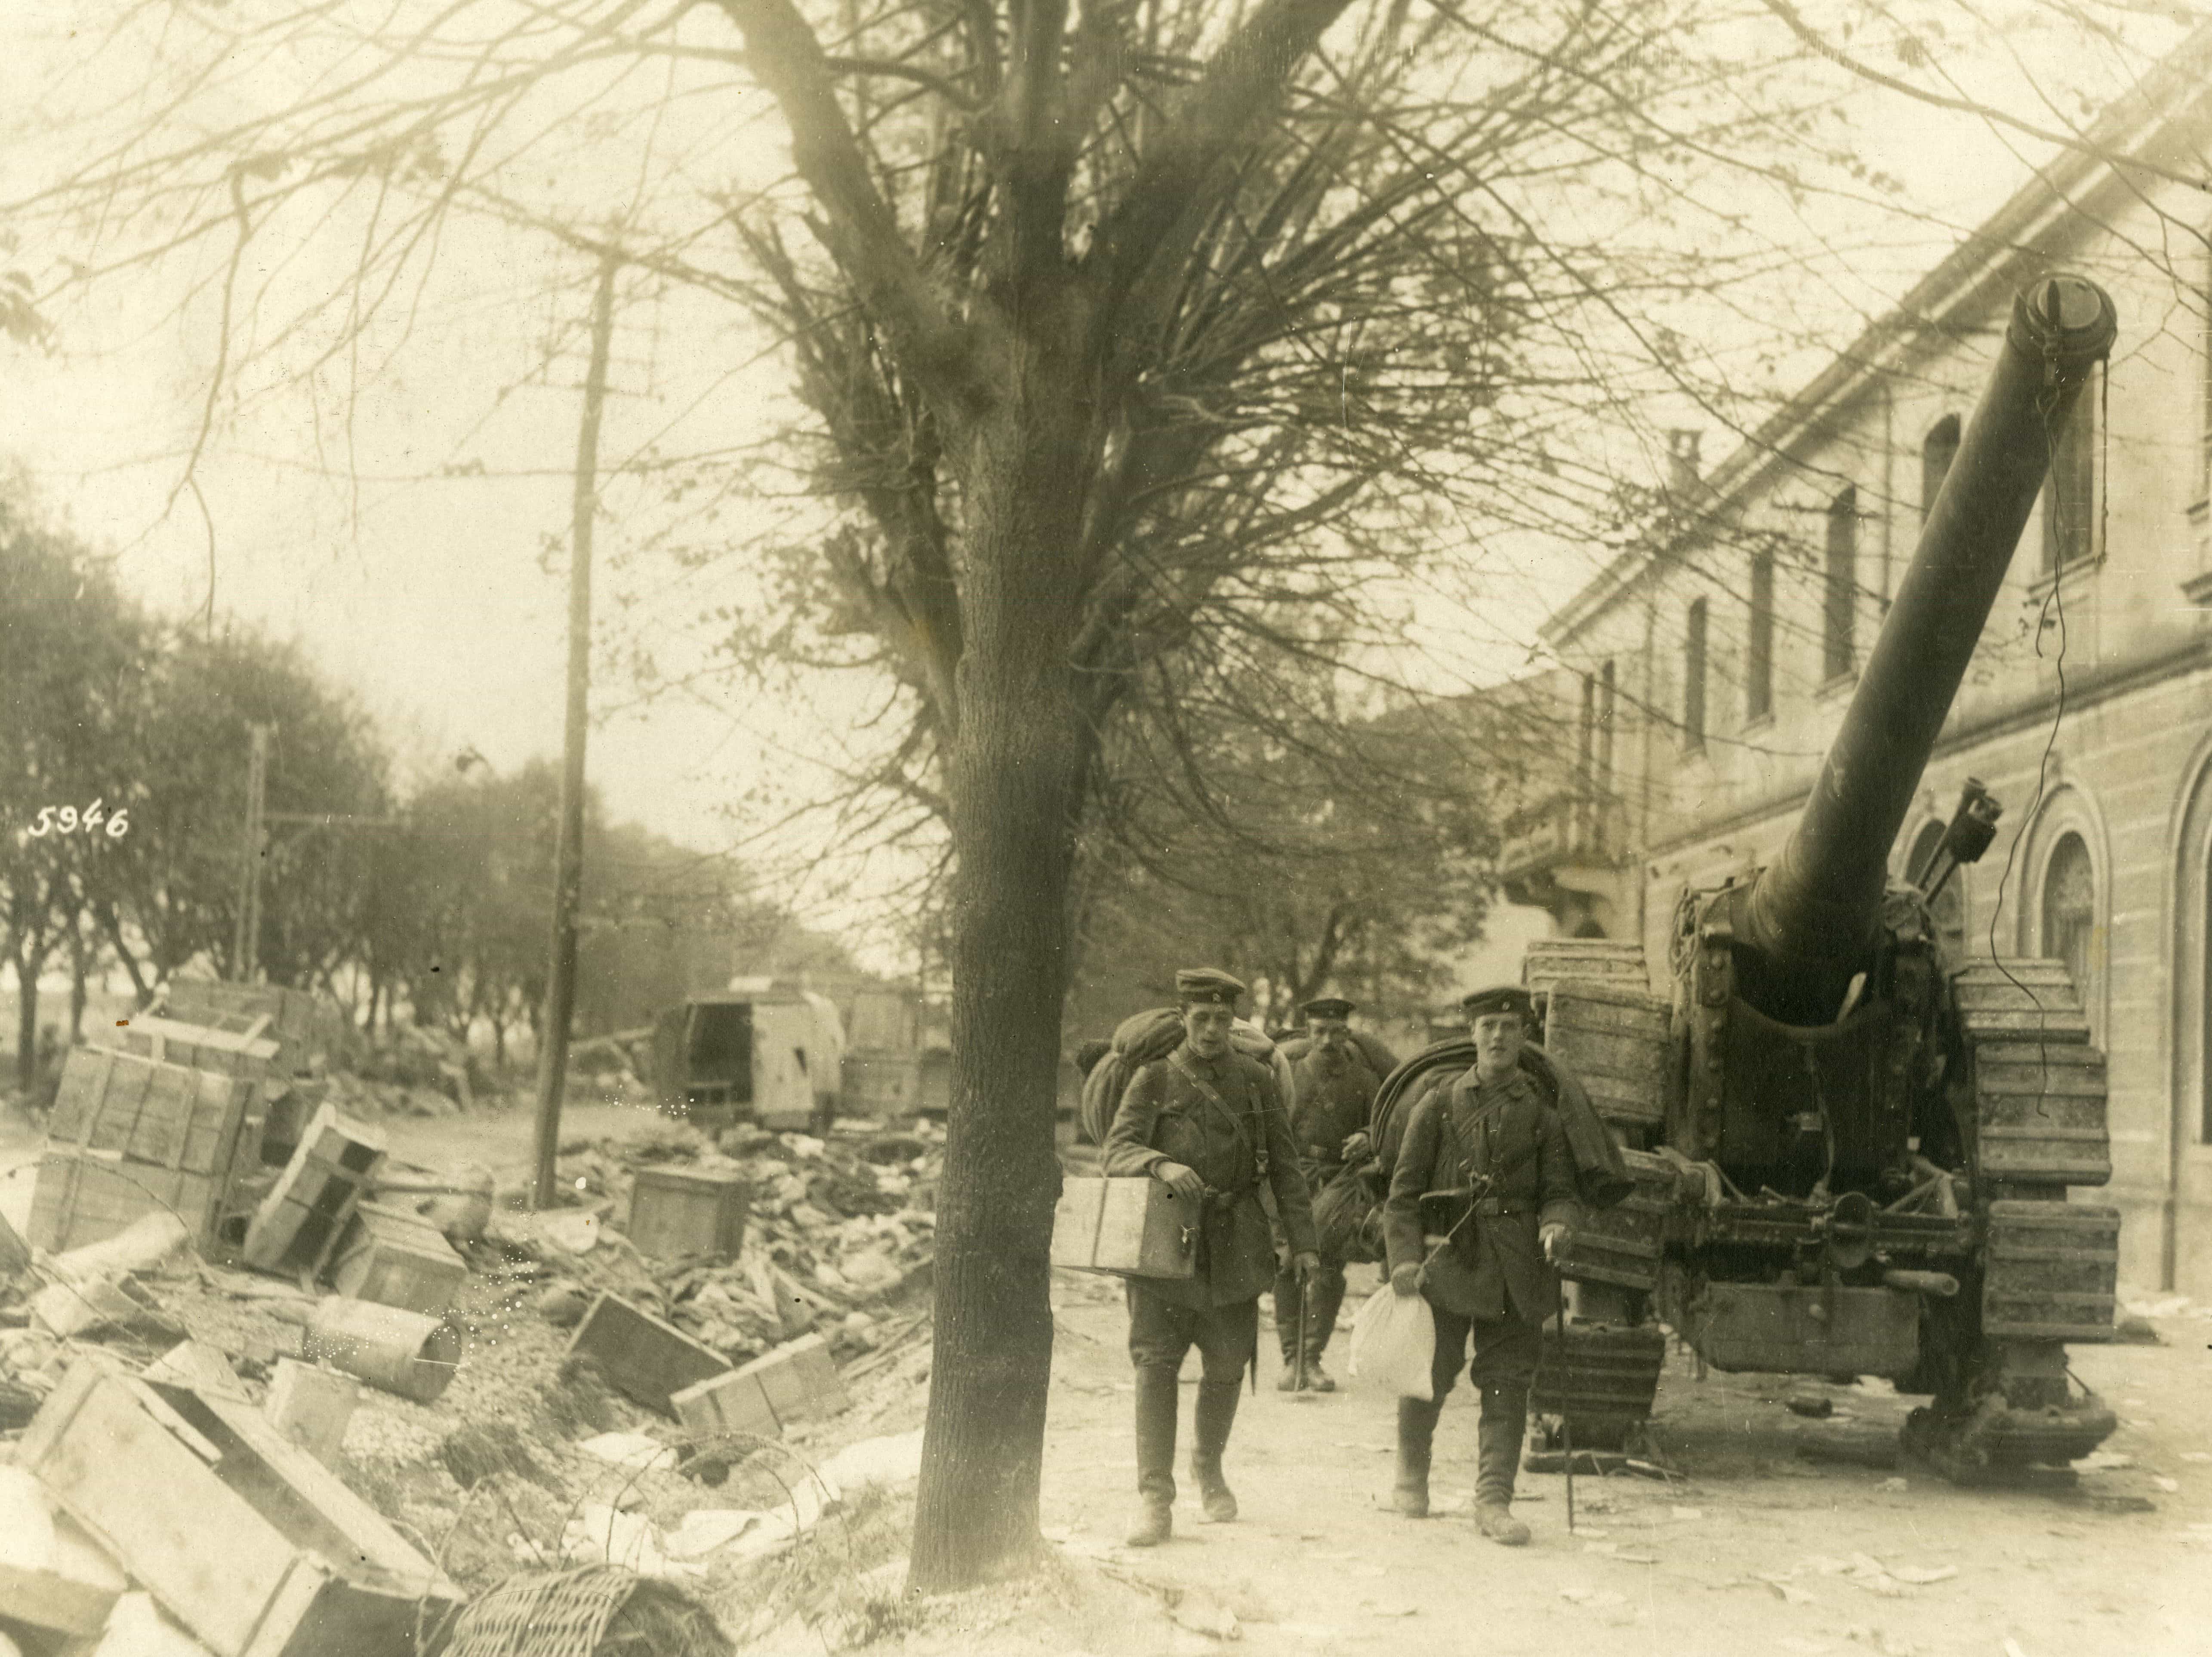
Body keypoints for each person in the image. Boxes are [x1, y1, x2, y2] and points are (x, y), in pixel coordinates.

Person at [1103, 967, 1320, 1548]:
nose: (1211, 1030)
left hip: (1236, 1245)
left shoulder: (1255, 1081)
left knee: (1226, 1368)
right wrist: (1160, 1164)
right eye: (1201, 1018)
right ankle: (1155, 1498)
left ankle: (1209, 1466)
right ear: (1184, 1019)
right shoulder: (1153, 1077)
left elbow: (1286, 1167)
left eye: (1222, 1020)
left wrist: (1304, 1245)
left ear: (1233, 1023)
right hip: (1164, 1248)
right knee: (1155, 1367)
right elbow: (1116, 1149)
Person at [1381, 984, 1579, 1544]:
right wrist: (1403, 1259)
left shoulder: (1541, 1116)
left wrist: (1557, 1224)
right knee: (1429, 1376)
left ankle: (1493, 1502)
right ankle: (1411, 1478)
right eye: (1487, 1027)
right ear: (1472, 1034)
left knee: (1506, 1386)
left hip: (1518, 1269)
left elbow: (1562, 1190)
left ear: (1524, 1036)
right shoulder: (1439, 1104)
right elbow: (1402, 1195)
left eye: (1509, 1028)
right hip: (1449, 1262)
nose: (1497, 1037)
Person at [1271, 996, 1383, 1392]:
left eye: (1337, 1032)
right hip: (1295, 1177)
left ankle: (1312, 1360)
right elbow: (1270, 1127)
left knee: (1331, 1267)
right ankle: (1291, 1360)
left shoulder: (1366, 1081)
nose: (1328, 1040)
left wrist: (1368, 1137)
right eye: (1320, 1031)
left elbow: (1384, 1127)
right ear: (1308, 1033)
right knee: (1287, 1263)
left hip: (1340, 1180)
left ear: (1347, 1034)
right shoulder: (1289, 1075)